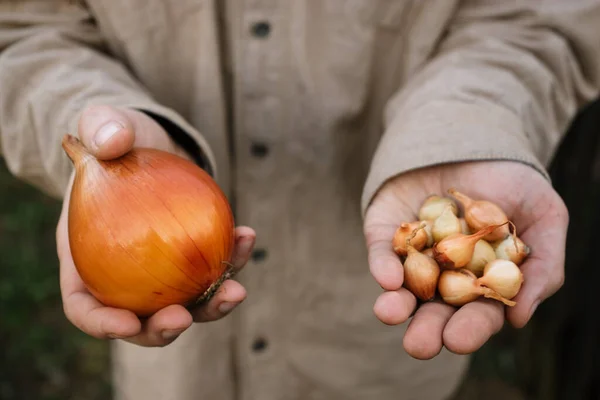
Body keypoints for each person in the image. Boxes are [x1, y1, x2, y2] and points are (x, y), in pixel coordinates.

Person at [1, 1, 599, 399]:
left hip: (369, 354)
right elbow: (21, 30)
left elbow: (537, 17)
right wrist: (98, 125)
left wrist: (465, 129)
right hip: (181, 376)